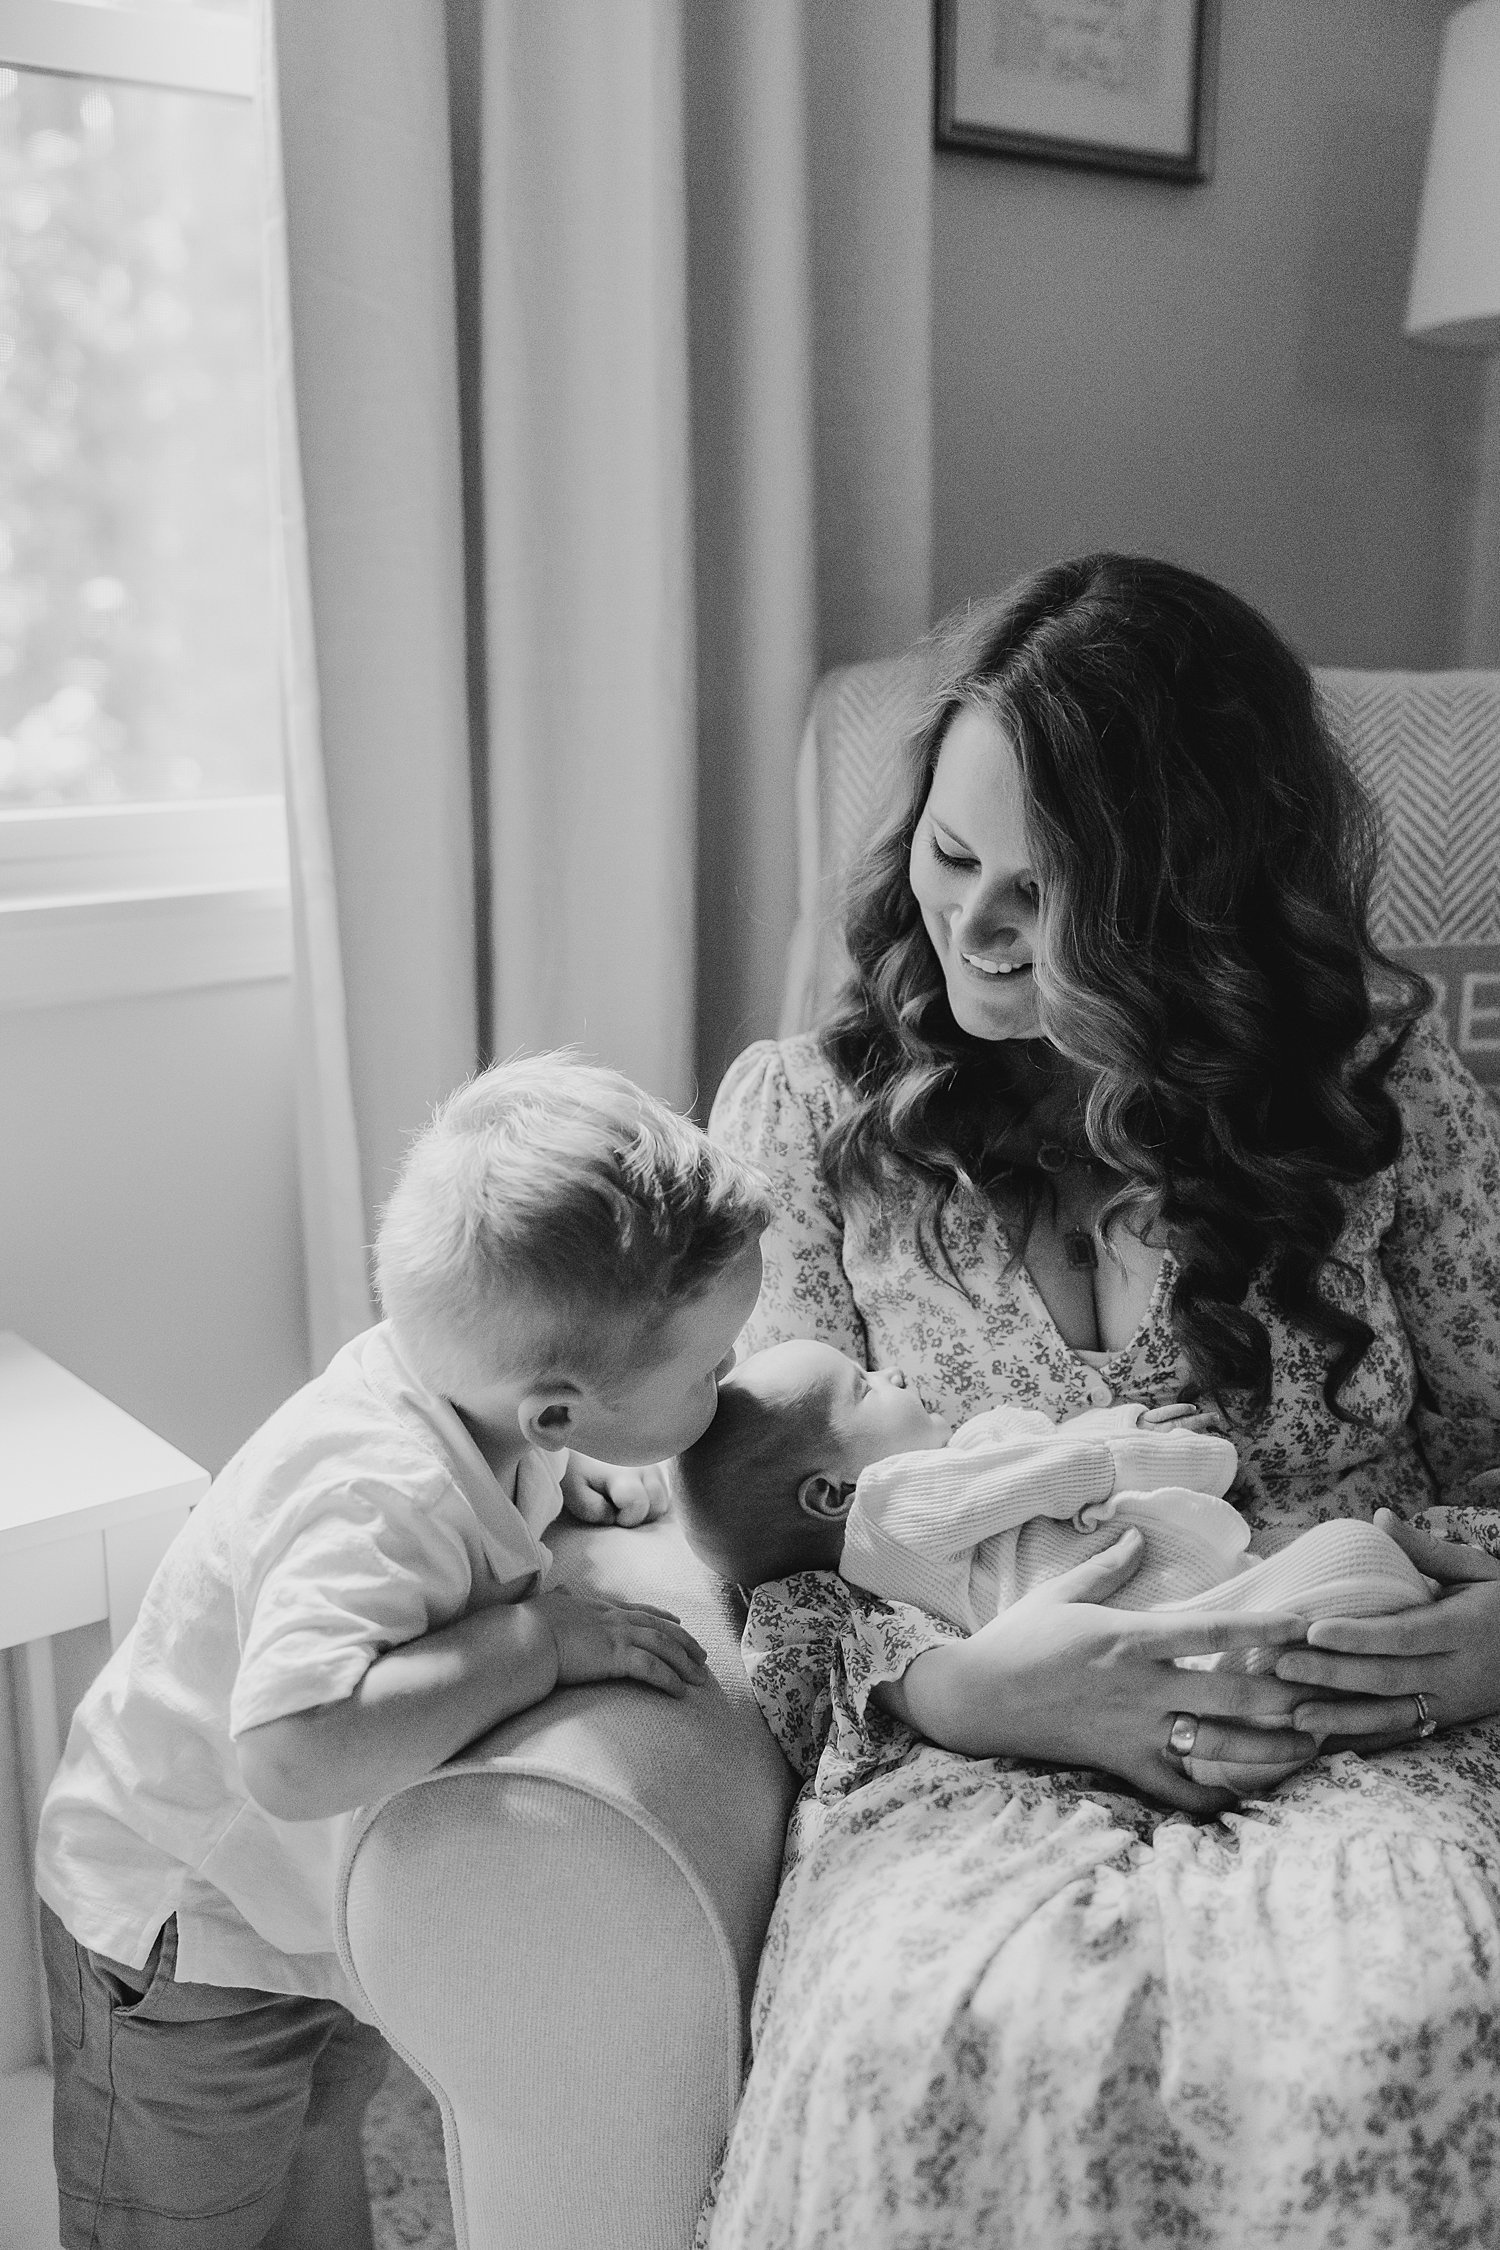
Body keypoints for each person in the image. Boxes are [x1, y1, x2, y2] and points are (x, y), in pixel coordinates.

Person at [701, 555, 1500, 2248]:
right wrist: (973, 1693)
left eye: (1049, 896)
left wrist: (1487, 1641)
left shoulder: (1378, 1092)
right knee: (940, 2038)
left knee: (1402, 2028)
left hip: (1355, 1737)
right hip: (969, 1753)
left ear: (1197, 906)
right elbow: (746, 1549)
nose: (971, 933)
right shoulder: (807, 1121)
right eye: (950, 855)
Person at [35, 1052, 769, 2250]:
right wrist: (533, 1643)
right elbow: (292, 1750)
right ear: (555, 1404)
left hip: (294, 1921)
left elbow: (510, 1465)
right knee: (188, 2217)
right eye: (709, 1367)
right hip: (183, 1936)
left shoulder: (485, 1414)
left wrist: (577, 1468)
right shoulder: (371, 1499)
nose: (730, 1379)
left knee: (320, 2162)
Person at [673, 1338, 1435, 1649]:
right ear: (832, 1495)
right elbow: (1050, 1470)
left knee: (1346, 1579)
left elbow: (1020, 1457)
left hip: (1158, 1606)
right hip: (1155, 1614)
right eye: (865, 1388)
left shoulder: (899, 1537)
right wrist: (1157, 1453)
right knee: (1356, 1555)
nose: (894, 1374)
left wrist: (1114, 1420)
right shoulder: (894, 1504)